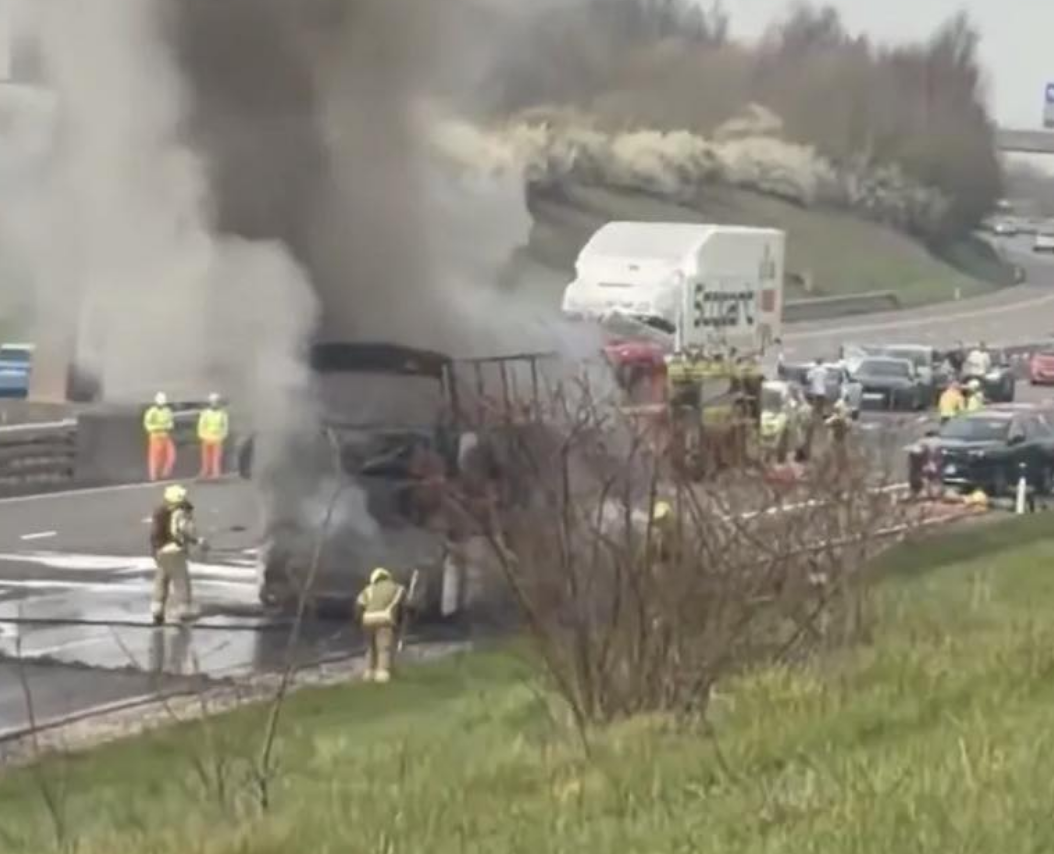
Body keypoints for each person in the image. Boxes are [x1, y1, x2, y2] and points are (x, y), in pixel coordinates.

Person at [149, 484, 205, 624]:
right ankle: (184, 609)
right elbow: (187, 529)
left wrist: (155, 552)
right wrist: (198, 541)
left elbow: (153, 534)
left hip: (161, 551)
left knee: (161, 580)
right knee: (181, 580)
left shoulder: (160, 512)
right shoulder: (180, 513)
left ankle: (157, 608)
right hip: (176, 552)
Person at [355, 568, 407, 683]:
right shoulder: (397, 589)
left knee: (371, 647)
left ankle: (369, 672)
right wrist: (399, 624)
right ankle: (382, 673)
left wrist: (358, 622)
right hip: (385, 620)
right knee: (383, 648)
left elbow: (359, 605)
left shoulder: (369, 589)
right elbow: (402, 609)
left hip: (367, 620)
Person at [144, 392, 176, 482]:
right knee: (155, 457)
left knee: (171, 455)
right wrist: (158, 428)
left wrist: (166, 427)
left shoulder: (167, 411)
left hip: (165, 436)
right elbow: (147, 425)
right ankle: (153, 476)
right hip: (155, 437)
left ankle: (164, 473)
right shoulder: (151, 412)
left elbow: (171, 423)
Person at [197, 393, 230, 480]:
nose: (215, 404)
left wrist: (222, 436)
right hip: (206, 438)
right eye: (213, 402)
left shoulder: (222, 414)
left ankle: (216, 473)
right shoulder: (205, 413)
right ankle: (205, 471)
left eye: (216, 402)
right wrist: (202, 436)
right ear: (210, 403)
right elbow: (201, 425)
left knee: (216, 457)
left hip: (217, 438)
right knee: (206, 456)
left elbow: (225, 426)